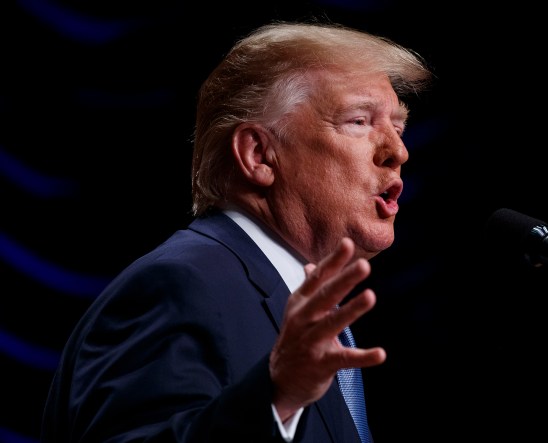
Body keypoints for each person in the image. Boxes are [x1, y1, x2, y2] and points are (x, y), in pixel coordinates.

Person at [40, 19, 433, 442]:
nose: (399, 151)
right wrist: (276, 397)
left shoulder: (310, 317)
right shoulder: (181, 285)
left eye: (398, 126)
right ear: (259, 155)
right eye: (358, 121)